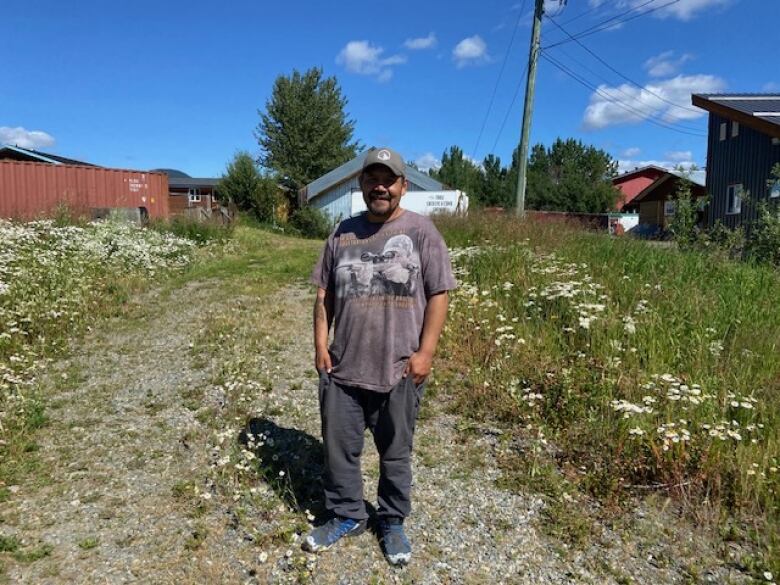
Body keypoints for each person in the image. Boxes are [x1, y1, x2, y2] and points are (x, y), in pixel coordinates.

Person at [304, 147, 456, 566]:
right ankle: (348, 515)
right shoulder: (341, 233)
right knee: (339, 450)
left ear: (403, 186)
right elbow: (323, 294)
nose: (380, 186)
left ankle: (391, 521)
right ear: (362, 184)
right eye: (372, 179)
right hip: (343, 367)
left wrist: (426, 352)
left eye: (388, 180)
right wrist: (320, 345)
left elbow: (439, 293)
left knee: (395, 453)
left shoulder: (422, 232)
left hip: (399, 369)